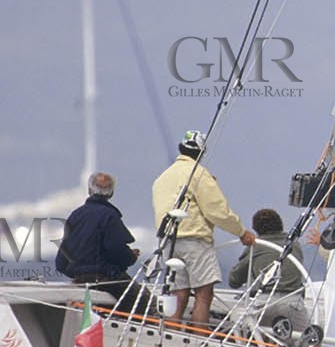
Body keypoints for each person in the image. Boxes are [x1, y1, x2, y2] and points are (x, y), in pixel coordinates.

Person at [151, 130, 256, 328]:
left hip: (168, 242)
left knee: (178, 292)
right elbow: (217, 211)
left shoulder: (163, 177)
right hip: (194, 241)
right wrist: (242, 232)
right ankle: (199, 339)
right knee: (203, 293)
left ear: (181, 149)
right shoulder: (199, 175)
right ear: (201, 152)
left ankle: (173, 335)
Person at [55, 172, 141, 305]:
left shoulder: (75, 216)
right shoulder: (110, 216)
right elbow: (116, 251)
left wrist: (80, 275)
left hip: (79, 280)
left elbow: (61, 262)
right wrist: (131, 256)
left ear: (89, 190)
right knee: (148, 304)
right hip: (106, 279)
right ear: (111, 193)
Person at [229, 208, 310, 338]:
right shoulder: (295, 245)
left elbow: (234, 280)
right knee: (307, 344)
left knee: (250, 334)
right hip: (294, 305)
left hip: (263, 306)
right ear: (280, 224)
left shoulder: (255, 246)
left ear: (256, 229)